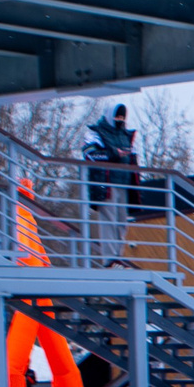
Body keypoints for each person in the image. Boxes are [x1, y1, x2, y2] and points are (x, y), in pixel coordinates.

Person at [83, 103, 138, 265]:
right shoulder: (95, 132)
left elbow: (133, 156)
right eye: (117, 116)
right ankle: (110, 259)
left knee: (121, 221)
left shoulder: (126, 135)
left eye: (122, 117)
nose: (119, 120)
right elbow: (90, 154)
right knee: (109, 220)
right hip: (105, 183)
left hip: (124, 183)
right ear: (110, 116)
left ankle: (118, 256)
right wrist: (115, 153)